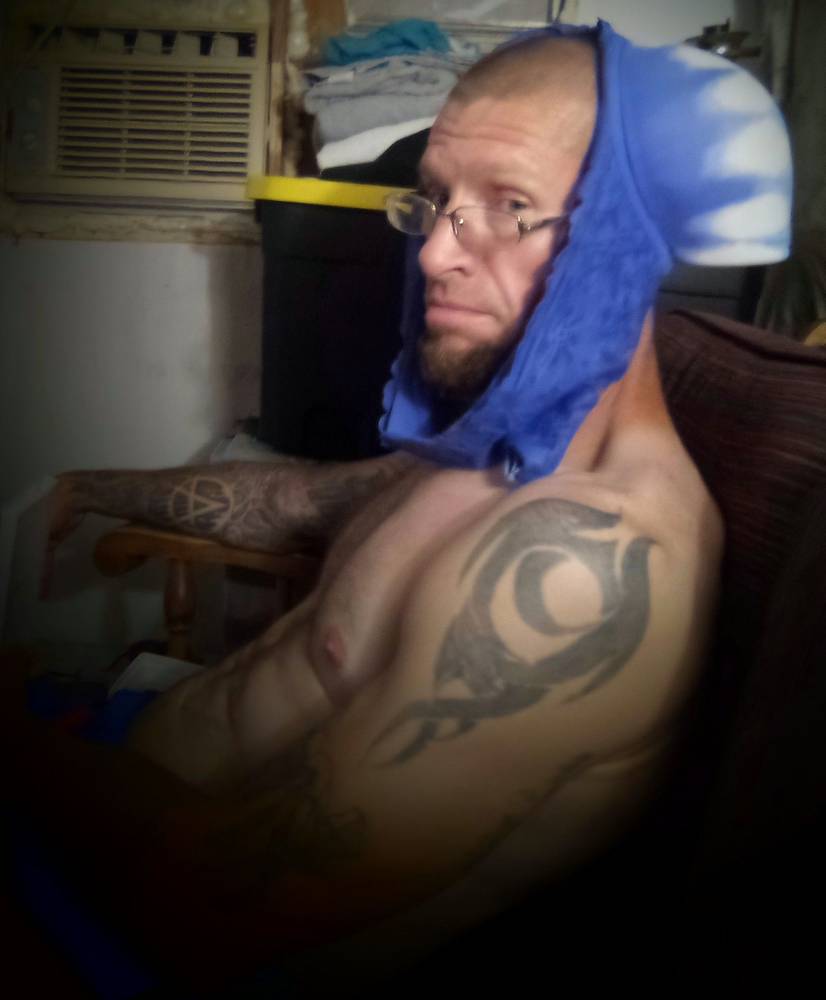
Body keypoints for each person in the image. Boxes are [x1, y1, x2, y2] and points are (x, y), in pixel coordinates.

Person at [5, 20, 791, 996]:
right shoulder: (503, 436)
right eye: (436, 202)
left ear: (625, 242)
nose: (433, 256)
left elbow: (206, 906)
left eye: (509, 207)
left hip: (158, 931)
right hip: (120, 794)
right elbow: (302, 499)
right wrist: (91, 490)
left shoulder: (585, 569)